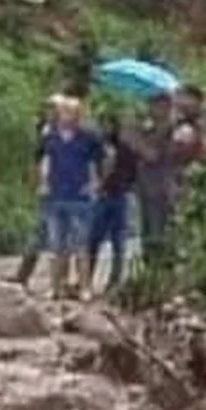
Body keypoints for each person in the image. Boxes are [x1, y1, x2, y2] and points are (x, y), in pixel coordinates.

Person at [11, 93, 107, 299]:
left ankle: (84, 286)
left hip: (79, 197)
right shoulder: (50, 137)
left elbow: (97, 162)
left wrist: (95, 184)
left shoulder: (88, 137)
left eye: (69, 112)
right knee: (56, 246)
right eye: (62, 112)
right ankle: (56, 287)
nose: (65, 116)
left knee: (81, 245)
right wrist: (42, 183)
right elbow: (44, 161)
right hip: (55, 195)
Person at [89, 114, 139, 294]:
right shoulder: (100, 147)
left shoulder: (125, 148)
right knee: (94, 239)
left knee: (118, 241)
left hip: (119, 194)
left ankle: (114, 281)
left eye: (109, 124)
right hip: (105, 195)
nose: (105, 128)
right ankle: (87, 278)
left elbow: (134, 171)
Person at [135, 91, 184, 267]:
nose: (153, 109)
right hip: (145, 187)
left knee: (163, 232)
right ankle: (150, 272)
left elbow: (154, 155)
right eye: (152, 105)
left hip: (166, 188)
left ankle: (165, 273)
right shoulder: (146, 129)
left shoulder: (177, 130)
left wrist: (139, 143)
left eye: (159, 106)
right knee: (148, 233)